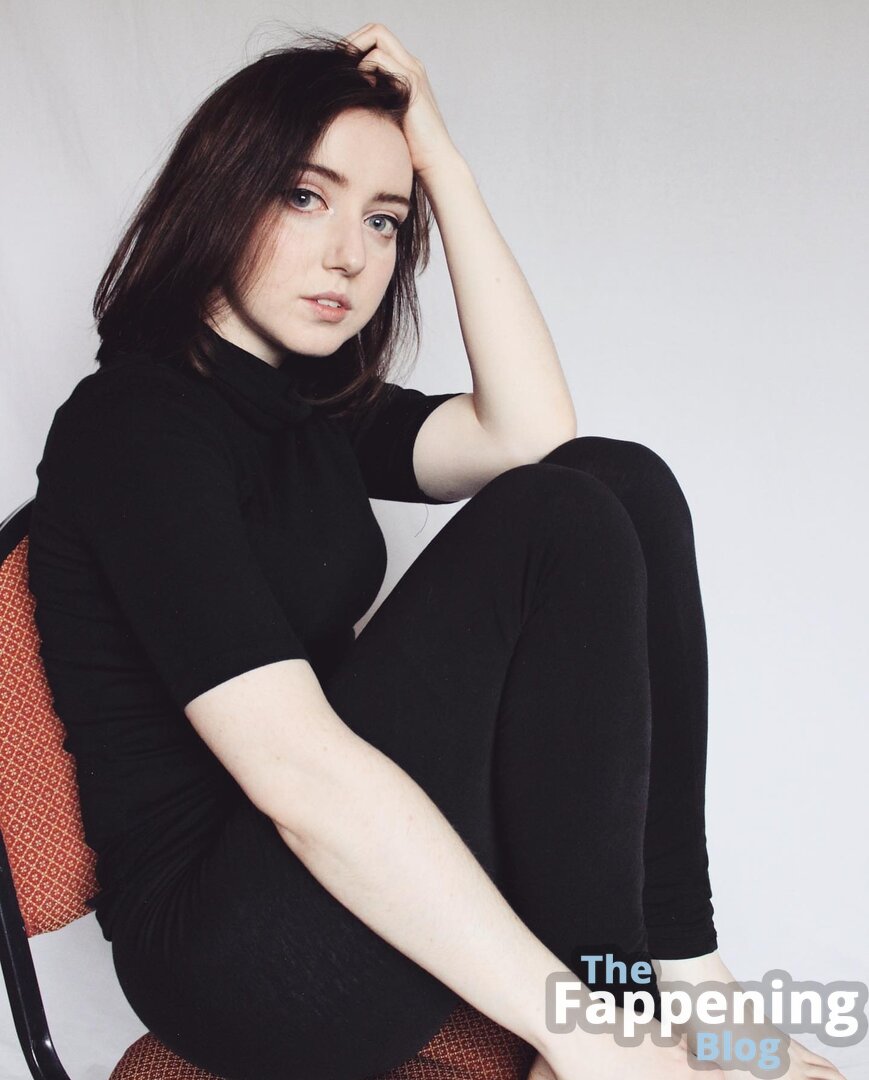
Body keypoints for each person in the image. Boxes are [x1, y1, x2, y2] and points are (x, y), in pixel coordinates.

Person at [26, 23, 845, 1080]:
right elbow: (299, 776)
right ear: (219, 194)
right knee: (553, 518)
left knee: (617, 480)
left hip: (344, 888)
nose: (351, 255)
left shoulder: (307, 411)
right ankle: (605, 1022)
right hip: (240, 961)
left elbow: (533, 436)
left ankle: (680, 988)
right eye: (305, 197)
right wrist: (574, 1032)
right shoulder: (133, 428)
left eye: (384, 219)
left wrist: (445, 168)